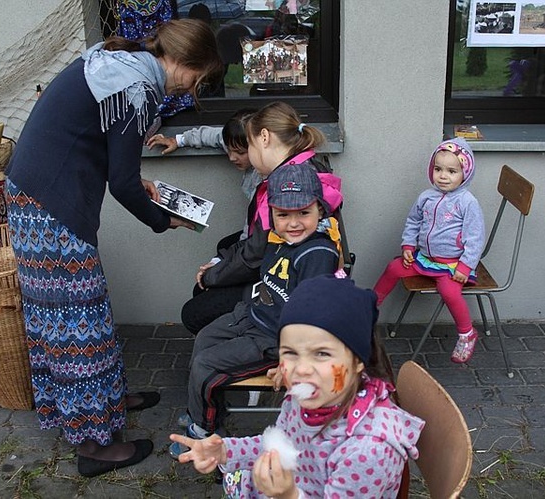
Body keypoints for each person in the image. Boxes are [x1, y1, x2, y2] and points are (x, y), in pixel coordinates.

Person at [4, 19, 223, 478]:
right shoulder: (136, 89)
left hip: (39, 197)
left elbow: (100, 149)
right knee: (74, 323)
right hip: (49, 206)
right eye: (197, 79)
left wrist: (132, 179)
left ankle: (107, 401)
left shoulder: (120, 65)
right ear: (183, 63)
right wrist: (165, 220)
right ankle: (93, 445)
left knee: (85, 311)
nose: (190, 89)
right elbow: (123, 184)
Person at [170, 274, 424, 498]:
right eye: (290, 352)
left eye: (322, 354)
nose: (301, 369)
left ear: (359, 361)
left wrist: (288, 495)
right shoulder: (307, 397)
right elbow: (279, 443)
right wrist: (225, 451)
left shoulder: (367, 450)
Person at [169, 162, 343, 458]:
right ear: (272, 213)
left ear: (320, 210)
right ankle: (210, 411)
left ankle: (203, 430)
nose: (294, 223)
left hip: (273, 339)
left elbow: (314, 318)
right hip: (252, 314)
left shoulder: (317, 253)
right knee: (203, 340)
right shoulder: (277, 238)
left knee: (206, 365)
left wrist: (292, 360)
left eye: (304, 213)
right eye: (283, 214)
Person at [182, 101, 344, 334]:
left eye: (248, 145)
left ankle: (245, 349)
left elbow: (255, 256)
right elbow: (255, 243)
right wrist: (219, 265)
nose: (246, 154)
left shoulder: (284, 188)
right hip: (281, 270)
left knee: (193, 313)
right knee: (211, 276)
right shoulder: (304, 166)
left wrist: (212, 275)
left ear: (264, 138)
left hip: (280, 286)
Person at [147, 109, 266, 334]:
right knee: (222, 247)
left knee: (193, 312)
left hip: (261, 267)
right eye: (230, 150)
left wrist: (217, 270)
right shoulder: (243, 146)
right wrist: (178, 140)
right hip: (252, 248)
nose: (232, 157)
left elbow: (252, 244)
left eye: (239, 152)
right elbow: (214, 136)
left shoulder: (271, 183)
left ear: (260, 146)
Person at [372, 138, 485, 364]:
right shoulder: (426, 197)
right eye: (438, 169)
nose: (443, 176)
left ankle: (466, 333)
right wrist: (408, 245)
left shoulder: (467, 202)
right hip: (425, 258)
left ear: (465, 173)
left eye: (452, 171)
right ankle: (368, 308)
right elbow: (413, 221)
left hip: (452, 264)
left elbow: (476, 238)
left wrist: (465, 266)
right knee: (394, 267)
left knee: (449, 292)